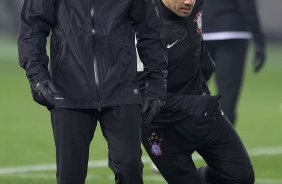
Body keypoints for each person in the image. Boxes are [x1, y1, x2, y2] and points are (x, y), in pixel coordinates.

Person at [18, 0, 167, 183]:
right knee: (69, 176)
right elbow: (32, 26)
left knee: (130, 168)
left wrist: (157, 81)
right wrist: (37, 75)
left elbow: (150, 29)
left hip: (121, 87)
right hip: (68, 90)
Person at [138, 0, 255, 183]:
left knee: (241, 177)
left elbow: (194, 34)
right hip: (162, 126)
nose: (189, 1)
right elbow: (140, 97)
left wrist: (205, 61)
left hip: (203, 111)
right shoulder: (141, 25)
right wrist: (192, 103)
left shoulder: (193, 5)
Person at [202, 0, 266, 124]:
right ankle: (222, 141)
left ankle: (189, 139)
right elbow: (247, 4)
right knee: (227, 96)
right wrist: (259, 39)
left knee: (193, 93)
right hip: (232, 29)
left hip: (201, 30)